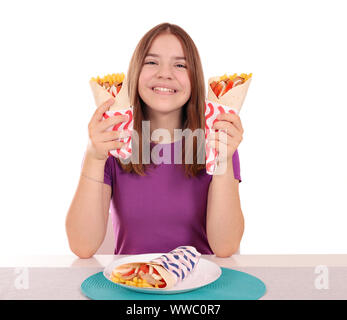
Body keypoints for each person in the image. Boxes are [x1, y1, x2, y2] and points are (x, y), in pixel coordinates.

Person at [65, 23, 244, 258]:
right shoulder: (111, 144)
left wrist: (223, 160)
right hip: (131, 286)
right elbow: (82, 246)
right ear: (135, 73)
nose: (165, 73)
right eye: (151, 62)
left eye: (180, 65)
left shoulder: (216, 143)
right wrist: (94, 157)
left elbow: (226, 247)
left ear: (195, 79)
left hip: (199, 287)